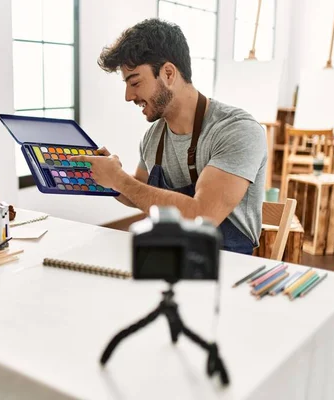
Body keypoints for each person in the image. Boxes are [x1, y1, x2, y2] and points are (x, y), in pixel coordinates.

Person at [70, 18, 267, 255]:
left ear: (168, 73)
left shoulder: (237, 130)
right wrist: (107, 178)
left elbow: (201, 215)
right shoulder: (153, 137)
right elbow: (139, 193)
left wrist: (119, 180)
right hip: (170, 257)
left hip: (226, 267)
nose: (128, 96)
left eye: (135, 82)